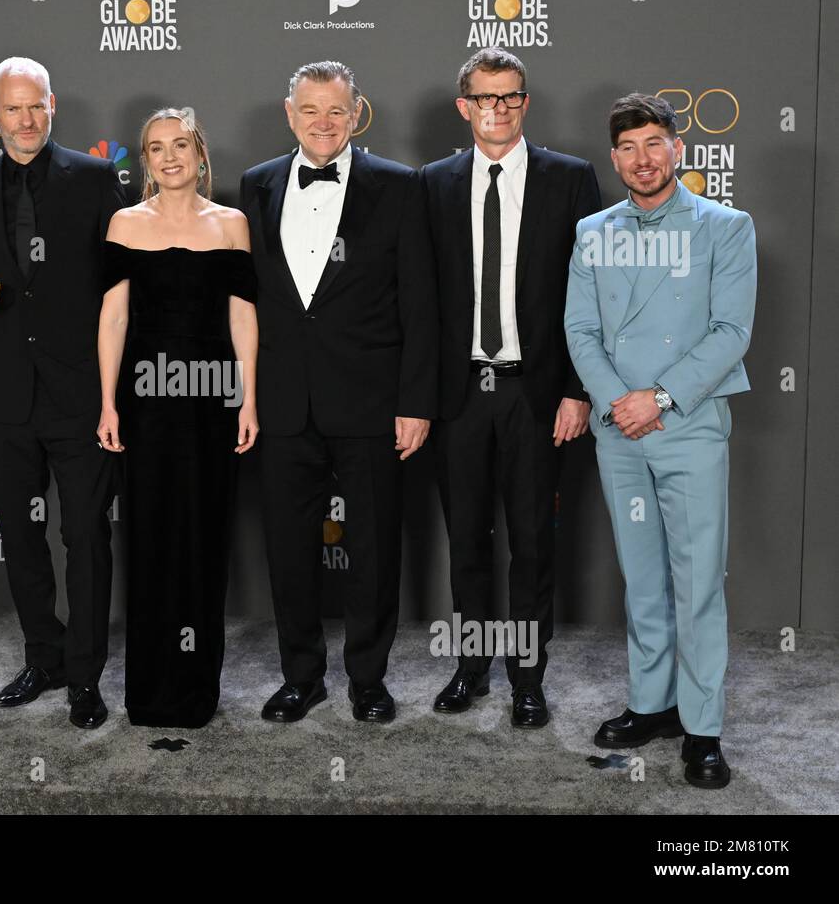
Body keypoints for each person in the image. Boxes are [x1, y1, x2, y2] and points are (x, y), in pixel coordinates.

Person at [565, 93, 756, 788]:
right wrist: (619, 403)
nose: (642, 160)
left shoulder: (725, 227)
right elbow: (580, 330)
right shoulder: (593, 230)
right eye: (628, 148)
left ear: (676, 149)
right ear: (613, 158)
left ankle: (703, 727)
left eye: (654, 144)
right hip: (619, 430)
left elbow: (731, 332)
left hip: (690, 426)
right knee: (643, 580)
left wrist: (661, 397)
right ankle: (653, 704)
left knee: (698, 582)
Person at [238, 61, 437, 724]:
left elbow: (421, 305)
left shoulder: (400, 187)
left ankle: (368, 679)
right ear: (289, 113)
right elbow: (256, 301)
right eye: (310, 111)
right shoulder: (258, 184)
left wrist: (415, 402)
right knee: (289, 549)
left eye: (336, 111)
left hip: (373, 402)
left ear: (357, 114)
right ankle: (302, 676)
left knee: (374, 548)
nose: (323, 123)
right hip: (285, 401)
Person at [0, 57, 125, 729]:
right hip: (3, 397)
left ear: (53, 107)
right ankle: (43, 658)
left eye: (36, 106)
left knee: (86, 536)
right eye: (12, 108)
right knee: (21, 536)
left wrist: (113, 391)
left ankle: (85, 675)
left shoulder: (97, 178)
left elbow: (118, 290)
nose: (25, 120)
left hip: (80, 394)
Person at [421, 47, 601, 727]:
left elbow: (594, 295)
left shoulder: (570, 179)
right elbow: (419, 300)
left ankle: (529, 678)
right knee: (466, 541)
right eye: (485, 98)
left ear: (525, 103)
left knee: (532, 543)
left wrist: (578, 390)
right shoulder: (432, 184)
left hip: (537, 392)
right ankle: (472, 668)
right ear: (464, 106)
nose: (498, 109)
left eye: (511, 97)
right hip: (460, 393)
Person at [97, 108, 258, 728]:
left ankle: (196, 691)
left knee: (204, 537)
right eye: (156, 148)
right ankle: (151, 692)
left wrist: (249, 397)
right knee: (151, 538)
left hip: (213, 399)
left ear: (199, 154)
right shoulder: (124, 223)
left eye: (180, 145)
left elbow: (243, 316)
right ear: (145, 161)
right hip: (146, 399)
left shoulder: (232, 224)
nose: (169, 157)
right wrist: (108, 401)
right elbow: (113, 318)